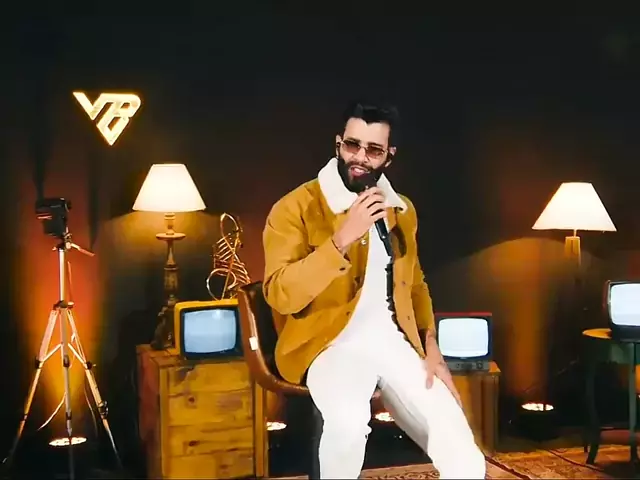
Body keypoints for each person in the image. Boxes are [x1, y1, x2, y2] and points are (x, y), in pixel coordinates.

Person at [262, 100, 486, 479]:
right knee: (348, 425)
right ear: (338, 144)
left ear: (388, 156)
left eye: (374, 150)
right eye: (352, 145)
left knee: (463, 452)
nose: (360, 158)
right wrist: (342, 238)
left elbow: (416, 284)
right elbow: (280, 293)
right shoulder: (295, 208)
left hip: (395, 342)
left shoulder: (401, 210)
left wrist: (431, 346)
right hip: (328, 346)